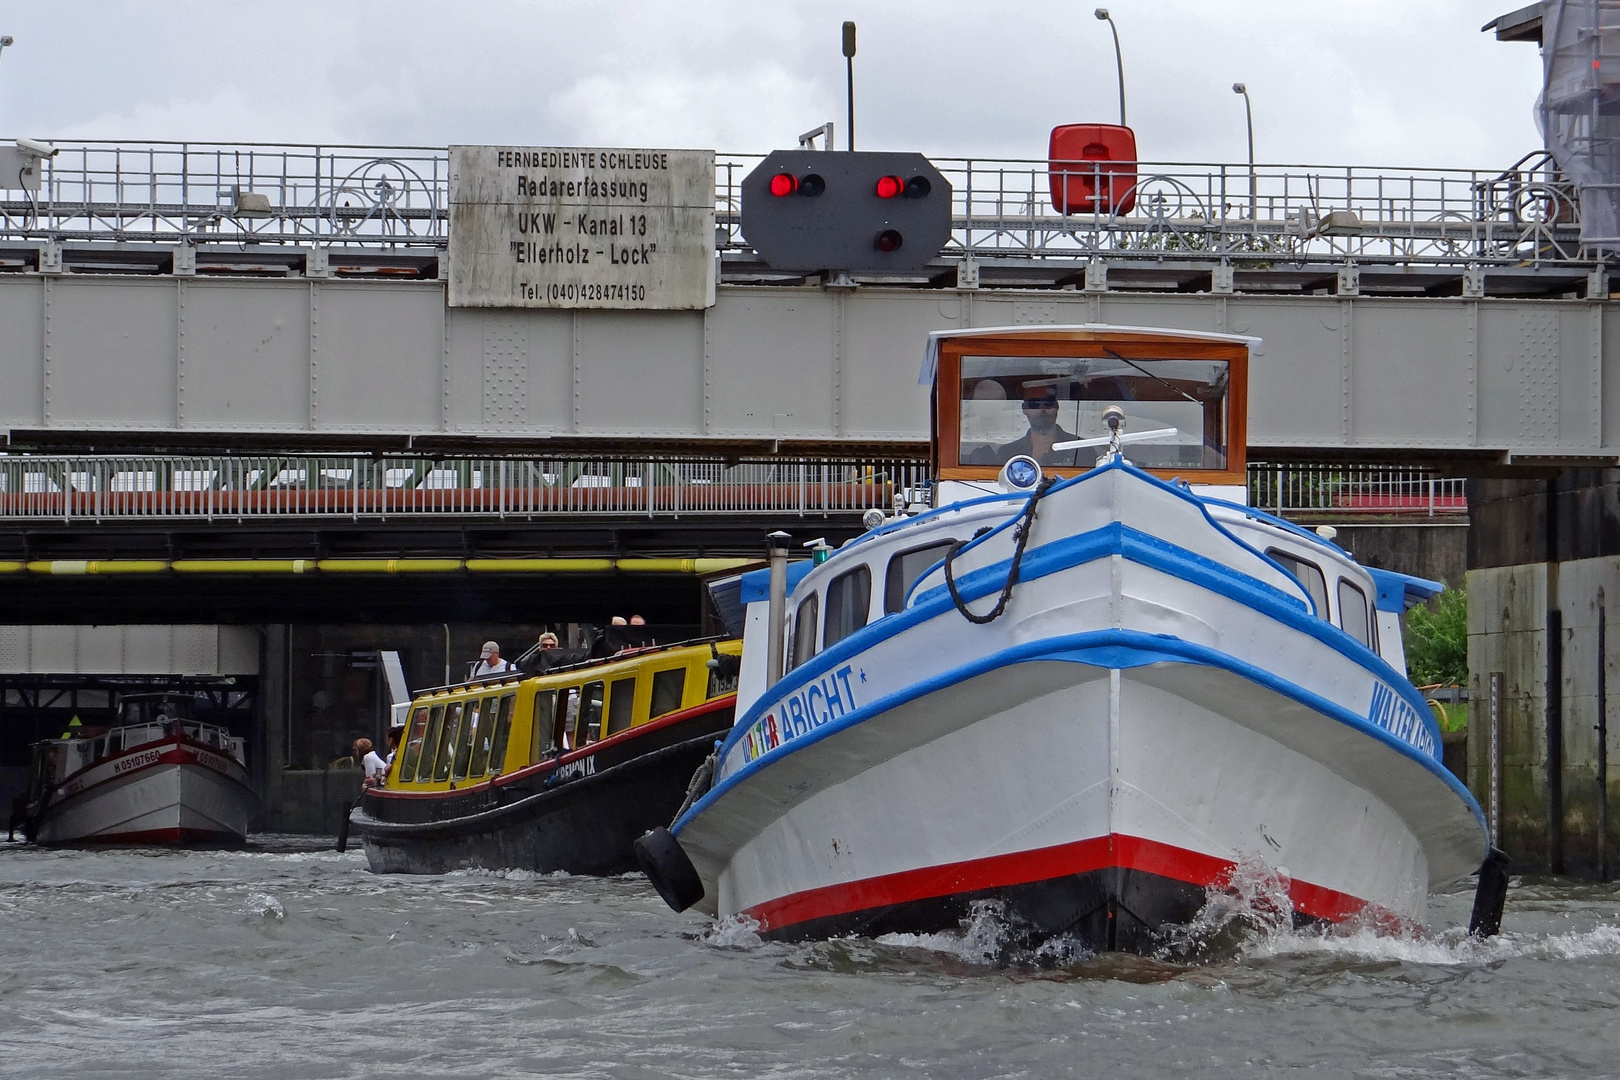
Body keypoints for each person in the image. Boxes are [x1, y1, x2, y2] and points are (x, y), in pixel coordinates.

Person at [994, 386, 1082, 467]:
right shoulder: (1007, 452)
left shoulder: (1081, 448)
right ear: (1024, 409)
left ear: (1057, 406)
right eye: (1034, 404)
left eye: (1048, 403)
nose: (1042, 409)